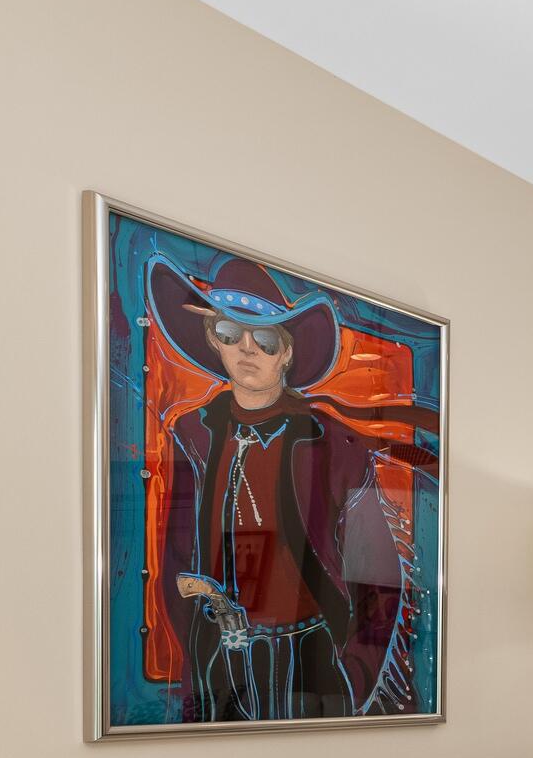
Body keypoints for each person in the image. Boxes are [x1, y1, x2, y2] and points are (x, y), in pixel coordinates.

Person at [145, 255, 408, 721]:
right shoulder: (193, 433)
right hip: (217, 664)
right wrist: (198, 650)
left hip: (311, 662)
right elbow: (177, 555)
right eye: (229, 334)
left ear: (286, 351)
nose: (246, 350)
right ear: (213, 341)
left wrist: (352, 676)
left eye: (264, 340)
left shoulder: (332, 443)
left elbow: (378, 574)